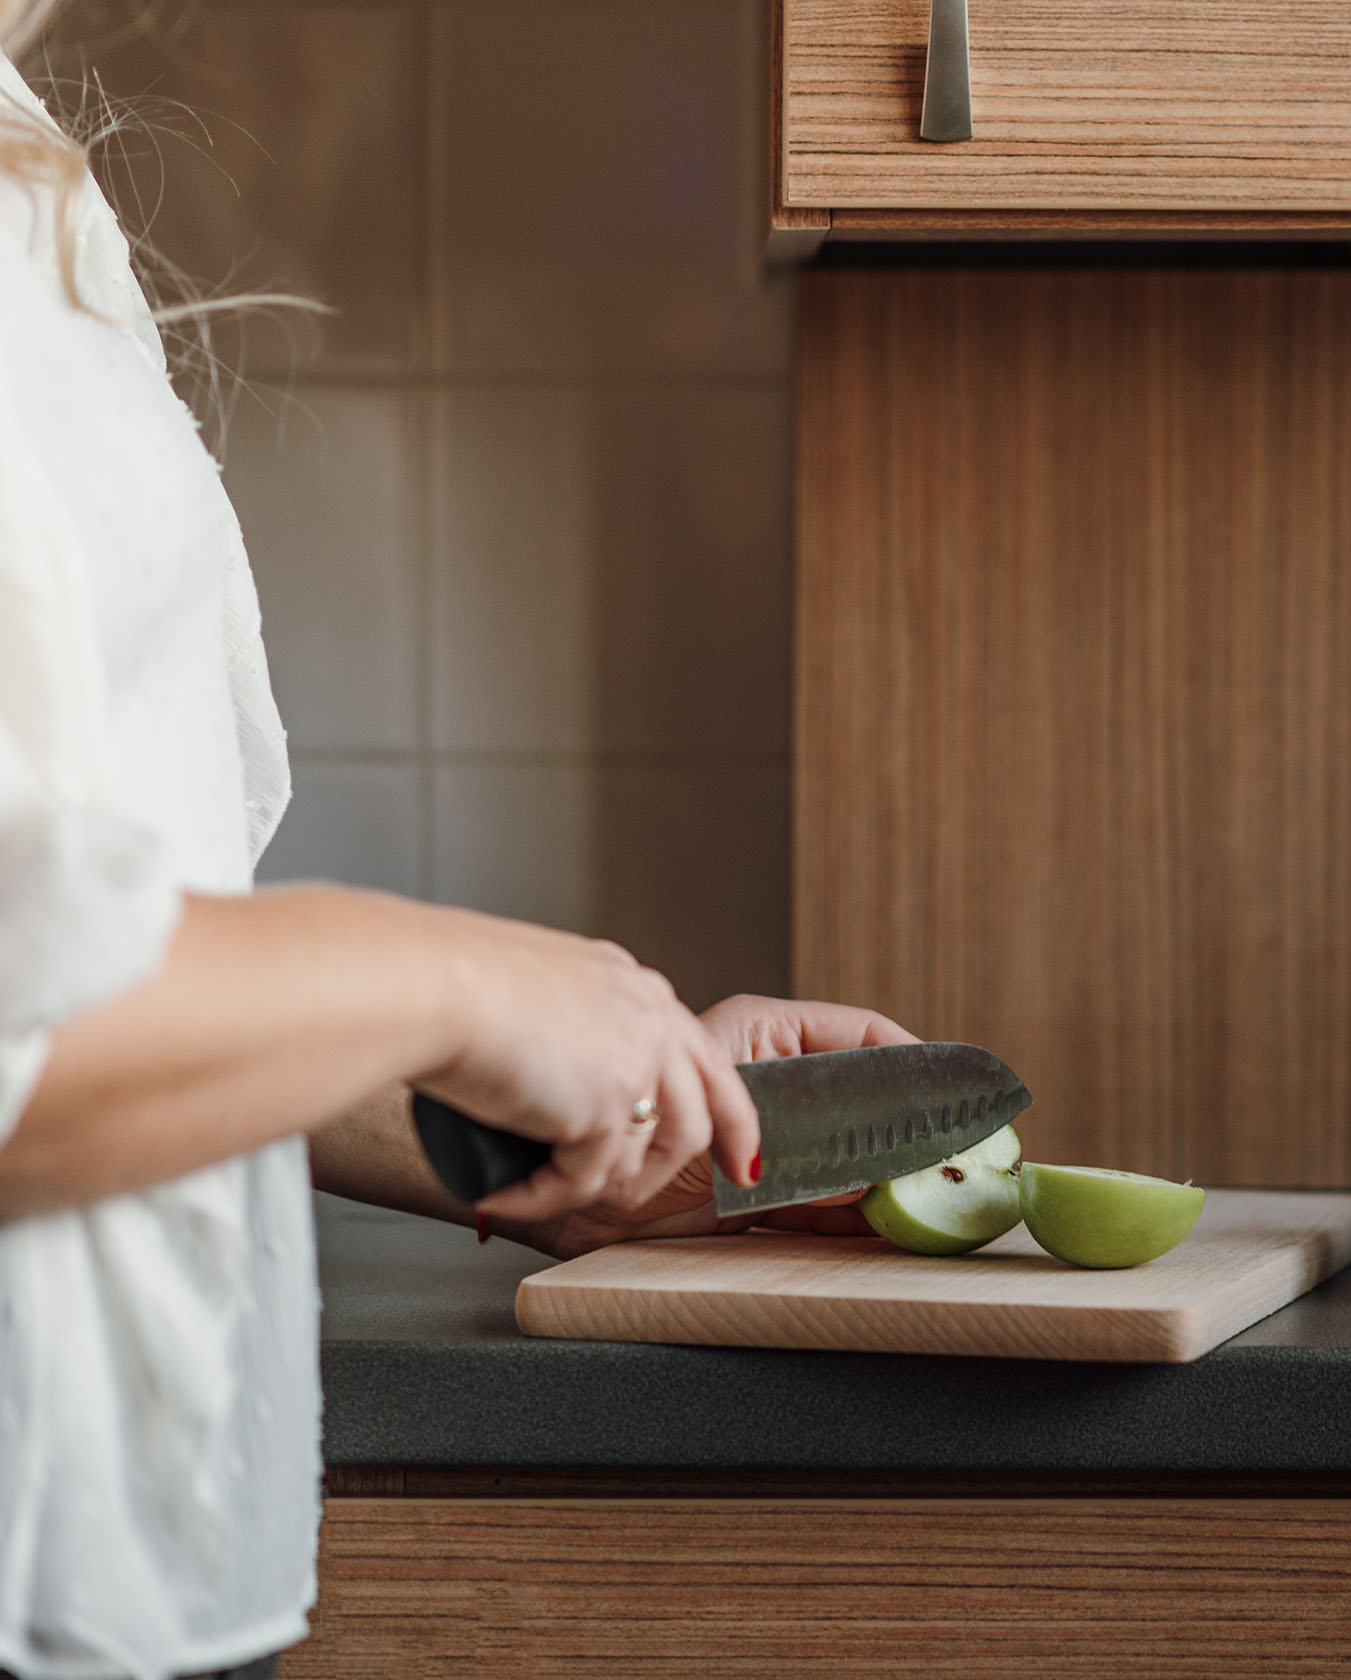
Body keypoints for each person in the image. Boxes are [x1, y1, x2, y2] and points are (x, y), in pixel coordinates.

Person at [0, 14, 903, 1678]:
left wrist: (544, 1139)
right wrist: (457, 981)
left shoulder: (17, 154)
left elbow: (67, 958)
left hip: (118, 1552)